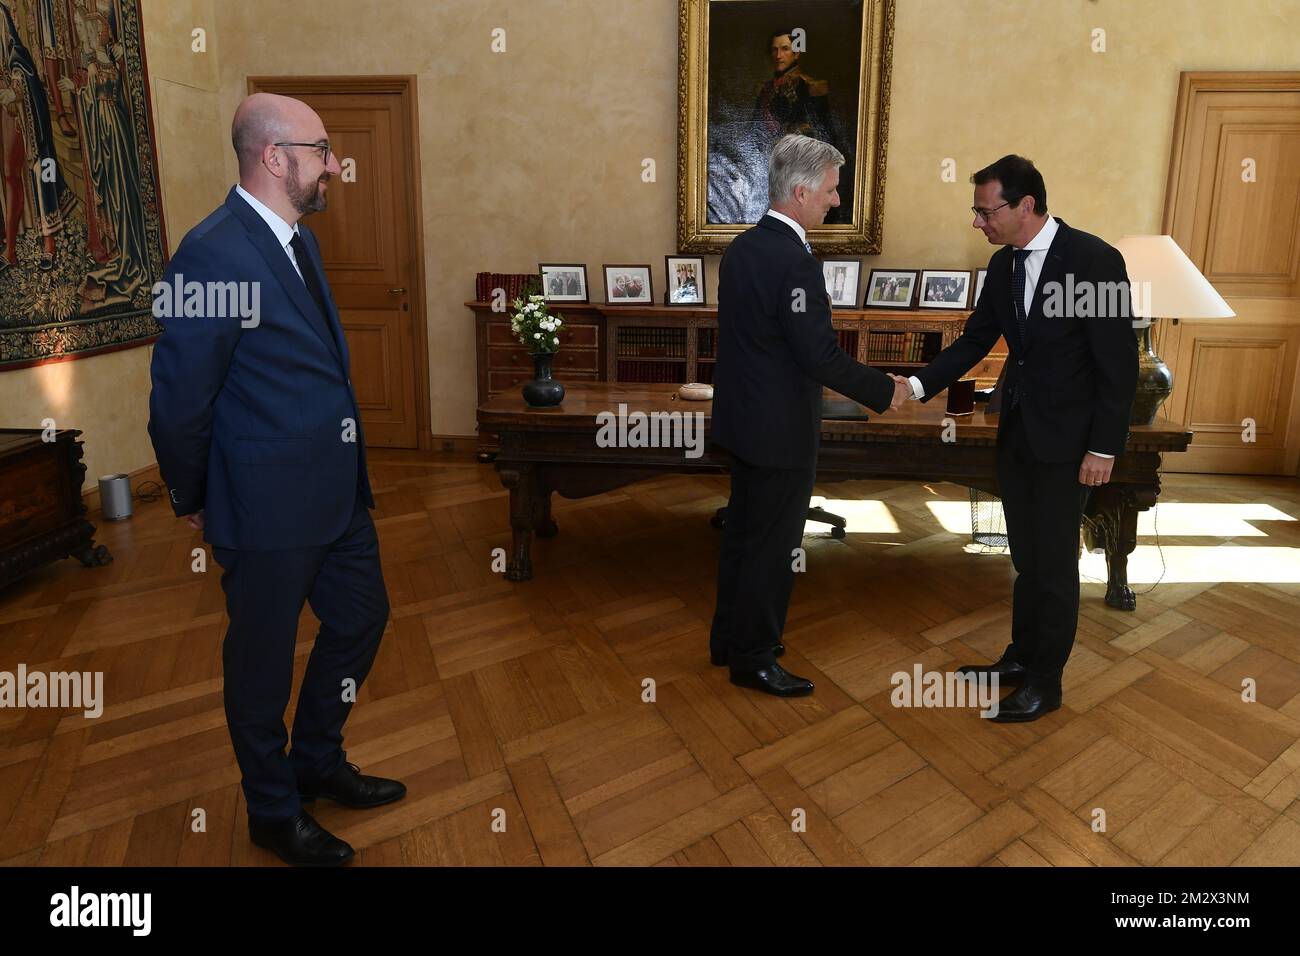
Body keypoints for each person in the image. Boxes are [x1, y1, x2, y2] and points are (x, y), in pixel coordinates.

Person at [148, 93, 403, 866]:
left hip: (334, 494)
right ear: (274, 156)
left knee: (362, 618)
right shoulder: (210, 254)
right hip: (262, 507)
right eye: (322, 149)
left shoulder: (301, 243)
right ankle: (271, 809)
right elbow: (178, 400)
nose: (334, 166)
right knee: (260, 664)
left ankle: (317, 760)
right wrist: (192, 496)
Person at [894, 154, 1138, 722]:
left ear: (1026, 205)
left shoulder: (1093, 260)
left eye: (986, 211)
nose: (978, 223)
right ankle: (1021, 656)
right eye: (976, 212)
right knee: (1028, 559)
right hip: (1021, 436)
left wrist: (1104, 447)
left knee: (1054, 565)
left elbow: (1118, 364)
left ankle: (1045, 681)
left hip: (1072, 446)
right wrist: (917, 383)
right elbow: (976, 340)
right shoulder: (1003, 268)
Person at [709, 133, 910, 698]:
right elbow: (817, 356)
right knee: (773, 549)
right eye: (829, 189)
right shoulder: (795, 262)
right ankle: (753, 658)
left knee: (745, 538)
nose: (835, 200)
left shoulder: (744, 249)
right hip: (780, 434)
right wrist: (883, 390)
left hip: (745, 426)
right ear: (800, 191)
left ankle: (729, 640)